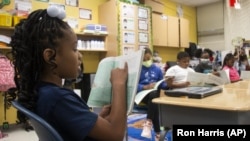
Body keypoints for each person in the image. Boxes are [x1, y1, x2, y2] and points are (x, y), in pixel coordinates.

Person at [9, 7, 128, 141]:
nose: (80, 56)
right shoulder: (58, 98)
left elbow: (67, 124)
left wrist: (96, 120)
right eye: (74, 48)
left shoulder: (41, 91)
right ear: (50, 57)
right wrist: (119, 84)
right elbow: (115, 135)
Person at [137, 47, 168, 140]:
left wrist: (168, 83)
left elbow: (162, 84)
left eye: (148, 58)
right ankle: (158, 134)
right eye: (144, 59)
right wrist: (144, 87)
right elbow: (133, 85)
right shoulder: (137, 69)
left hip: (154, 93)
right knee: (154, 101)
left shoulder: (157, 69)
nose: (147, 61)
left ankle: (148, 123)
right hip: (142, 94)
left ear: (151, 57)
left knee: (154, 96)